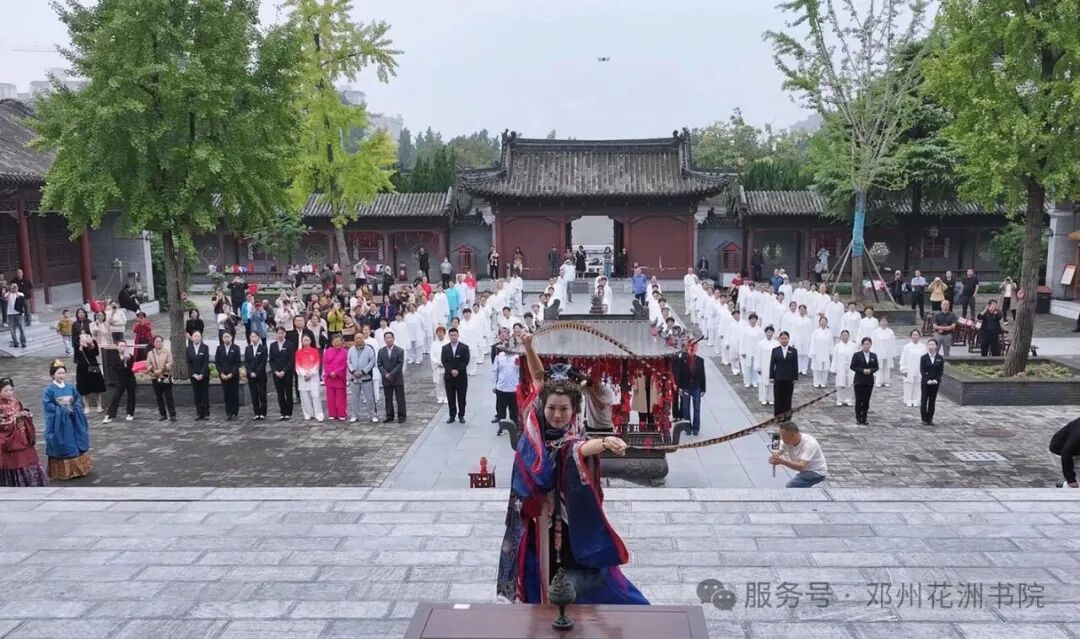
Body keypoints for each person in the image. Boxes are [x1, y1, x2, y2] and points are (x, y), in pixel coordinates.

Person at [496, 332, 647, 605]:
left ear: (574, 409)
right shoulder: (536, 428)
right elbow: (539, 379)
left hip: (565, 514)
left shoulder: (571, 433)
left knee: (575, 567)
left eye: (563, 409)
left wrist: (604, 442)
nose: (557, 415)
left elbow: (576, 449)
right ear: (543, 405)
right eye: (552, 408)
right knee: (536, 569)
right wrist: (529, 347)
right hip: (536, 513)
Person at [42, 360, 92, 480]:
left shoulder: (70, 387)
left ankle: (78, 469)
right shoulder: (49, 390)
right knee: (62, 442)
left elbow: (77, 400)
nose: (61, 375)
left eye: (63, 373)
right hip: (59, 422)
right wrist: (62, 411)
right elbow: (48, 406)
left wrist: (75, 409)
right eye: (59, 373)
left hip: (73, 419)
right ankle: (64, 472)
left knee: (77, 439)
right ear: (52, 375)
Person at [0, 377, 47, 486]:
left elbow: (21, 412)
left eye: (11, 390)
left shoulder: (16, 402)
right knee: (14, 461)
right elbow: (2, 423)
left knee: (29, 459)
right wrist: (15, 417)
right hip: (10, 439)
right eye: (6, 391)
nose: (9, 393)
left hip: (22, 435)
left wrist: (26, 414)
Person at [769, 421, 828, 488]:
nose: (782, 438)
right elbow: (780, 450)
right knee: (799, 484)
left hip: (816, 471)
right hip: (803, 471)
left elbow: (801, 466)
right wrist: (775, 456)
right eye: (781, 435)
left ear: (793, 435)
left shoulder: (810, 443)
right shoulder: (786, 441)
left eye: (783, 436)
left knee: (791, 486)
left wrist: (783, 461)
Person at [673, 341, 706, 435]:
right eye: (691, 347)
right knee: (686, 408)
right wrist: (679, 387)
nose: (692, 350)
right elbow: (679, 374)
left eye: (694, 348)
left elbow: (702, 375)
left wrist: (703, 389)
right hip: (686, 387)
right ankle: (687, 427)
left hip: (696, 387)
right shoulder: (682, 360)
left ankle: (696, 428)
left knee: (697, 408)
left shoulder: (700, 360)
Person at [348, 332, 379, 423]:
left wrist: (363, 371)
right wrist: (353, 371)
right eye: (357, 338)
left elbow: (372, 361)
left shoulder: (369, 349)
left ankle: (373, 415)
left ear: (363, 339)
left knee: (369, 398)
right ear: (354, 339)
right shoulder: (351, 349)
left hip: (366, 377)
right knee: (354, 398)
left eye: (360, 338)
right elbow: (348, 361)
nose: (358, 340)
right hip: (354, 377)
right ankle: (354, 415)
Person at [103, 340, 137, 423]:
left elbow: (129, 368)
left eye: (124, 346)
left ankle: (130, 413)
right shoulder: (114, 357)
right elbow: (115, 368)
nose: (122, 347)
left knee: (131, 396)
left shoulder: (131, 357)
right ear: (117, 347)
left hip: (130, 379)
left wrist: (126, 361)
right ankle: (110, 414)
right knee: (116, 397)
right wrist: (123, 362)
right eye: (120, 346)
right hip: (120, 380)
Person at [442, 327, 470, 424]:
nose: (453, 337)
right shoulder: (445, 348)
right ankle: (452, 415)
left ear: (458, 336)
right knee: (451, 398)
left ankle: (461, 415)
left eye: (455, 335)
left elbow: (465, 361)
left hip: (461, 377)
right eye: (451, 335)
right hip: (449, 377)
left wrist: (457, 370)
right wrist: (451, 370)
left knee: (461, 398)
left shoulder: (464, 347)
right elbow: (444, 361)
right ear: (449, 336)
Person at [145, 335, 176, 422]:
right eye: (156, 341)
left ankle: (172, 415)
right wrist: (153, 370)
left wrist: (162, 369)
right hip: (155, 377)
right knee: (159, 397)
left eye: (160, 341)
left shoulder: (167, 352)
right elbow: (148, 364)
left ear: (162, 342)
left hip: (165, 377)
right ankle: (163, 414)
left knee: (168, 397)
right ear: (154, 343)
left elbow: (170, 363)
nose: (158, 343)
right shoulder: (150, 353)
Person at [378, 331, 407, 423]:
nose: (388, 339)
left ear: (393, 339)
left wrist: (391, 374)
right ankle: (389, 415)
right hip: (386, 378)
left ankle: (402, 415)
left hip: (397, 378)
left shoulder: (400, 350)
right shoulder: (381, 351)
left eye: (390, 337)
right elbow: (379, 364)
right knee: (388, 398)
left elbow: (400, 364)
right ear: (384, 340)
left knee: (400, 398)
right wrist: (385, 374)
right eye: (386, 338)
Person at [492, 342, 520, 435]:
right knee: (501, 410)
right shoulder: (499, 357)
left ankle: (515, 427)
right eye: (506, 347)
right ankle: (501, 428)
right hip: (501, 387)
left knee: (514, 410)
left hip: (514, 388)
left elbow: (521, 371)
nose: (508, 349)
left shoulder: (517, 357)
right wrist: (494, 385)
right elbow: (495, 371)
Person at [769, 331, 799, 417]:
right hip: (778, 377)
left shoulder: (793, 351)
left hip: (789, 378)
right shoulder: (775, 350)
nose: (784, 340)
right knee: (778, 397)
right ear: (779, 339)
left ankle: (787, 416)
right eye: (782, 338)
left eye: (785, 338)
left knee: (788, 398)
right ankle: (777, 416)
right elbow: (772, 364)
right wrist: (771, 376)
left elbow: (795, 364)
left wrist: (795, 377)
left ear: (788, 339)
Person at [850, 337, 878, 425]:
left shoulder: (873, 355)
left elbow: (876, 367)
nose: (866, 345)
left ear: (871, 345)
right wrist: (862, 370)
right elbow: (852, 366)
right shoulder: (857, 355)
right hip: (859, 380)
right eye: (865, 344)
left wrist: (871, 370)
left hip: (869, 381)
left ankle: (864, 418)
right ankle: (858, 417)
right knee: (859, 399)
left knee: (866, 400)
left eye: (868, 344)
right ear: (862, 345)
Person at [296, 334, 324, 422]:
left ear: (311, 341)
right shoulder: (298, 353)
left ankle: (319, 414)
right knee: (304, 397)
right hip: (302, 377)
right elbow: (297, 366)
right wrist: (304, 374)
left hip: (313, 377)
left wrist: (310, 373)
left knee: (315, 396)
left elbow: (317, 364)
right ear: (301, 341)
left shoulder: (315, 351)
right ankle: (308, 414)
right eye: (304, 340)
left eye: (307, 340)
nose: (306, 342)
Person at [75, 333, 106, 414]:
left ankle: (99, 406)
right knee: (84, 388)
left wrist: (92, 345)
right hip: (82, 367)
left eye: (87, 336)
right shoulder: (78, 344)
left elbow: (96, 353)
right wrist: (81, 347)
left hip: (93, 366)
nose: (86, 337)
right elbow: (77, 357)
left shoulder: (93, 342)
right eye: (83, 336)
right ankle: (86, 407)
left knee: (97, 387)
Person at [269, 326, 295, 421]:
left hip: (287, 373)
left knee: (288, 392)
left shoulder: (290, 345)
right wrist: (275, 371)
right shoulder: (273, 345)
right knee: (280, 393)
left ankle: (288, 412)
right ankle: (282, 412)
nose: (280, 335)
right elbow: (271, 360)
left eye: (282, 333)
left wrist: (284, 370)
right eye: (279, 333)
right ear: (276, 334)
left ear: (285, 334)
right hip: (276, 373)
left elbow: (291, 360)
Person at [215, 331, 241, 420]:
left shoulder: (236, 348)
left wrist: (232, 373)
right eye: (224, 337)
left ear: (231, 337)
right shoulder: (219, 348)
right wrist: (221, 373)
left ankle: (234, 412)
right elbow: (217, 362)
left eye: (228, 336)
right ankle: (228, 412)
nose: (226, 338)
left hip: (233, 376)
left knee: (234, 393)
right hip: (223, 376)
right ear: (222, 339)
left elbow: (237, 363)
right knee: (226, 394)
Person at [899, 330, 928, 408]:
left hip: (919, 369)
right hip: (909, 368)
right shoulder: (907, 347)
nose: (915, 336)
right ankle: (907, 400)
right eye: (913, 335)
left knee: (918, 384)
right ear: (911, 336)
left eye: (916, 335)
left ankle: (916, 400)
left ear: (919, 336)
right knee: (908, 385)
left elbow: (925, 358)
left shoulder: (923, 347)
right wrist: (903, 369)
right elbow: (903, 358)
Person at [243, 331, 268, 420]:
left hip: (261, 375)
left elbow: (263, 362)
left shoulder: (263, 348)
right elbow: (246, 362)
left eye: (255, 336)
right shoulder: (248, 348)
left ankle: (263, 412)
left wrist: (257, 372)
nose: (253, 338)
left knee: (262, 394)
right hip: (251, 375)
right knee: (254, 394)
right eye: (252, 337)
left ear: (258, 337)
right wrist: (250, 372)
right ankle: (256, 412)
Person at [323, 334, 348, 421]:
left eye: (339, 341)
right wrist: (330, 372)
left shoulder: (344, 352)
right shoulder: (327, 352)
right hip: (330, 377)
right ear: (332, 342)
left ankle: (342, 413)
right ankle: (332, 413)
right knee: (330, 397)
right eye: (335, 341)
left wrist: (336, 373)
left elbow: (344, 365)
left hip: (339, 378)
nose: (337, 343)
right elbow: (325, 364)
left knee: (341, 397)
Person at [1050, 418, 1080, 488]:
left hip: (1075, 448)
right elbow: (1066, 452)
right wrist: (1071, 479)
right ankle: (1062, 484)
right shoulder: (1078, 434)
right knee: (1076, 487)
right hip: (1060, 451)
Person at [919, 338, 944, 425]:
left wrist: (936, 380)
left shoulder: (940, 358)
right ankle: (924, 419)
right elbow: (922, 370)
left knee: (932, 401)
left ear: (936, 346)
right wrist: (927, 379)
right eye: (929, 345)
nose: (931, 346)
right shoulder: (923, 358)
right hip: (925, 382)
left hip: (935, 383)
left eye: (933, 345)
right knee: (924, 400)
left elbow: (940, 371)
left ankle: (930, 419)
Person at [831, 330, 857, 407]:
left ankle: (849, 399)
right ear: (841, 336)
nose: (845, 337)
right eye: (843, 335)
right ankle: (840, 399)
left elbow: (856, 357)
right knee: (840, 383)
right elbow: (834, 358)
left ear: (849, 336)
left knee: (850, 383)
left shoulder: (853, 346)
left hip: (850, 367)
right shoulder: (837, 346)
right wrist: (834, 368)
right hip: (840, 367)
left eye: (846, 335)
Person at [808, 317, 833, 388]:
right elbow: (813, 343)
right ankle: (816, 382)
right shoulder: (815, 332)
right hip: (817, 351)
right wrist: (812, 352)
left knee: (825, 368)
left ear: (826, 323)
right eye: (822, 321)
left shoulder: (829, 332)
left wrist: (831, 352)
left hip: (825, 352)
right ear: (819, 322)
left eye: (824, 322)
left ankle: (823, 382)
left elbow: (831, 343)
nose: (823, 323)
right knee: (816, 368)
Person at [871, 316, 896, 387]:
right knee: (879, 367)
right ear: (879, 322)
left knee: (887, 367)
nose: (883, 323)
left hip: (888, 352)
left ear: (887, 322)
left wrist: (893, 353)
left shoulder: (890, 331)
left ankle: (886, 381)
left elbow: (893, 342)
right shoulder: (876, 331)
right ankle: (879, 381)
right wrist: (872, 353)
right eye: (882, 321)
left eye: (885, 321)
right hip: (878, 351)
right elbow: (873, 342)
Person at [5, 284, 26, 348]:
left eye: (15, 287)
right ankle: (15, 342)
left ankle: (23, 342)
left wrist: (16, 292)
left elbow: (21, 300)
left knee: (21, 328)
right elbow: (6, 299)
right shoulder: (8, 294)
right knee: (12, 329)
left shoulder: (21, 294)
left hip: (19, 313)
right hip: (10, 314)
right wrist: (10, 291)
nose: (14, 288)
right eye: (13, 287)